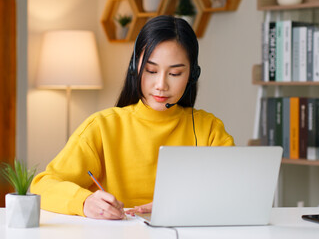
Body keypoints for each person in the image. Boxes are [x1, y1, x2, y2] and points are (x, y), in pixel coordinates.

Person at [30, 15, 234, 220]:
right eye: (151, 70)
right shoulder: (102, 126)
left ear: (192, 75)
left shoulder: (209, 130)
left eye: (175, 74)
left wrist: (183, 204)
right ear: (134, 67)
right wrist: (84, 202)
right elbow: (41, 186)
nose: (161, 84)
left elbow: (236, 190)